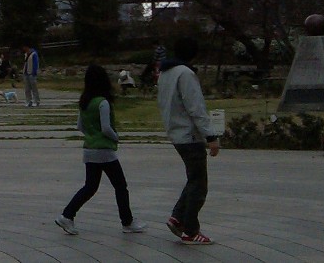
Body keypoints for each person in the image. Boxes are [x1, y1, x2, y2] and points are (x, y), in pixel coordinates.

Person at [55, 65, 147, 236]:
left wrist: (91, 135)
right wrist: (115, 137)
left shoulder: (85, 101)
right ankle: (127, 222)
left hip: (89, 150)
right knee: (120, 186)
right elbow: (106, 128)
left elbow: (79, 126)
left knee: (90, 187)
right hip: (104, 151)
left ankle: (67, 215)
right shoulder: (103, 102)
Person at [157, 37, 221, 245]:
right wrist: (211, 136)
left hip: (175, 132)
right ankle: (190, 230)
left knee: (194, 179)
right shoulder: (186, 74)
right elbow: (196, 107)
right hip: (189, 135)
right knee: (199, 183)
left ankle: (178, 217)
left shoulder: (165, 73)